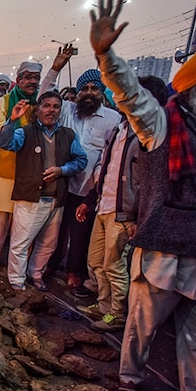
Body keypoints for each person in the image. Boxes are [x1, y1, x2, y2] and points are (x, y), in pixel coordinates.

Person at [90, 0, 196, 391]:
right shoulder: (164, 124)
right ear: (195, 89)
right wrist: (106, 58)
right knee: (141, 327)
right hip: (164, 250)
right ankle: (129, 380)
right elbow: (133, 99)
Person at [75, 76, 169, 331]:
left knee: (115, 266)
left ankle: (116, 314)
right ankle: (103, 305)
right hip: (104, 205)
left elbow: (151, 182)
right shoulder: (119, 128)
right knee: (95, 261)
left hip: (124, 212)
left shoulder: (149, 135)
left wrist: (138, 217)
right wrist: (90, 200)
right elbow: (106, 168)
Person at [0, 53, 68, 271]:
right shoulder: (3, 102)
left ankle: (18, 268)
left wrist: (55, 69)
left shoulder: (39, 105)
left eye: (35, 78)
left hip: (30, 175)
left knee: (25, 227)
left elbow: (47, 89)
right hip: (4, 171)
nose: (31, 81)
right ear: (18, 80)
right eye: (27, 77)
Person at [0, 91, 87, 291]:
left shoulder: (68, 134)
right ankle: (16, 282)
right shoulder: (25, 131)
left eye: (55, 106)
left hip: (56, 200)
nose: (51, 110)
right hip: (30, 198)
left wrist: (61, 170)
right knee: (21, 244)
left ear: (60, 110)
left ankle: (35, 274)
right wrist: (12, 120)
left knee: (48, 244)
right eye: (46, 106)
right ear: (38, 109)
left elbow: (81, 160)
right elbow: (4, 143)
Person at [43, 67, 121, 291]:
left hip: (88, 187)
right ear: (77, 92)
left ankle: (73, 270)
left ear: (101, 92)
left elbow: (107, 157)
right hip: (61, 183)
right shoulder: (67, 110)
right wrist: (56, 68)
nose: (89, 93)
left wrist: (95, 188)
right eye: (84, 88)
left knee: (80, 234)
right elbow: (45, 94)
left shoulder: (112, 119)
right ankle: (51, 264)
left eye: (94, 88)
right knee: (54, 229)